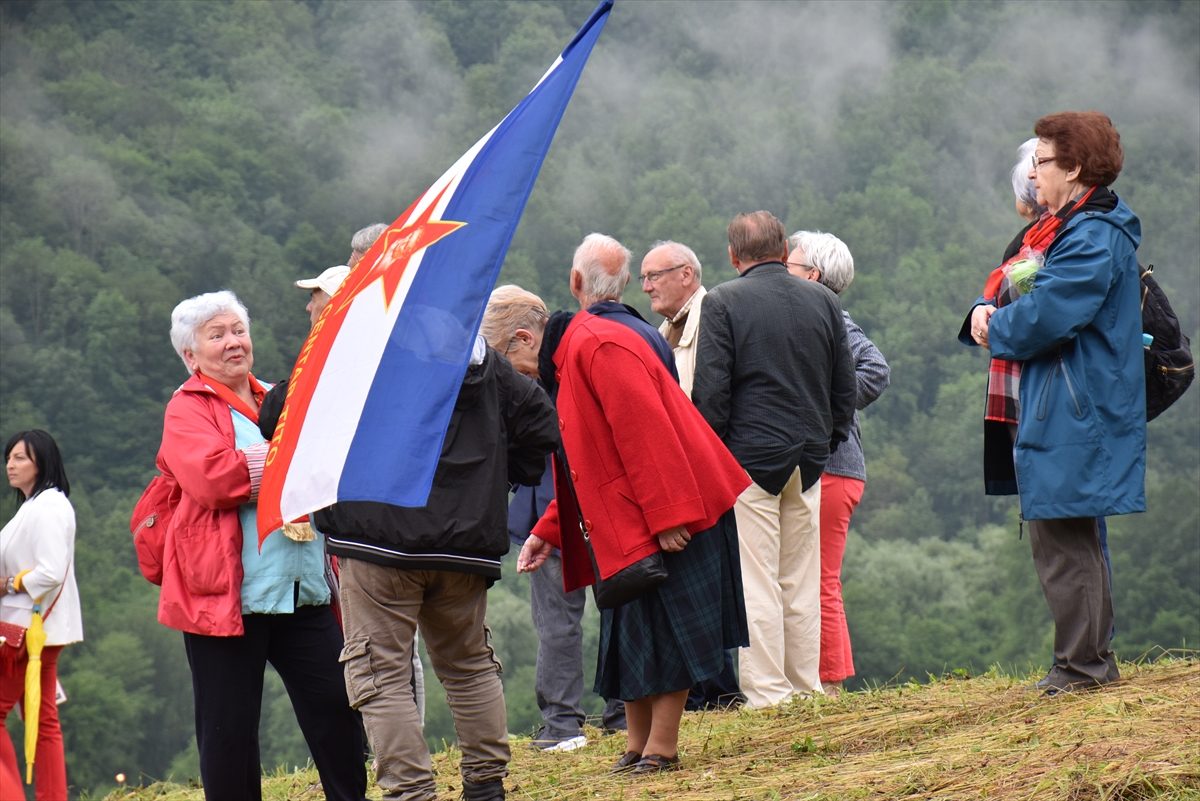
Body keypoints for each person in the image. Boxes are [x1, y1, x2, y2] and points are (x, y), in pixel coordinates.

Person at [518, 233, 751, 774]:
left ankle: (661, 750)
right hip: (638, 514)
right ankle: (637, 745)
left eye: (514, 357)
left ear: (577, 284)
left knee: (666, 630)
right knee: (632, 631)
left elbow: (645, 434)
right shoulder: (590, 343)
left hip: (675, 510)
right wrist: (549, 529)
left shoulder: (596, 343)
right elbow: (585, 460)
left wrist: (672, 517)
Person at [315, 319, 559, 801]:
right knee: (468, 663)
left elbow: (281, 412)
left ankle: (410, 793)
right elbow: (541, 424)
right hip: (463, 546)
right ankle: (486, 786)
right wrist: (491, 480)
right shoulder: (481, 357)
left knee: (381, 672)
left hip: (376, 538)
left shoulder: (360, 348)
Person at [156, 291, 367, 801]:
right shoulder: (187, 409)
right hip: (226, 597)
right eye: (218, 335)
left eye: (238, 331)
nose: (234, 343)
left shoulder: (280, 394)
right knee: (228, 733)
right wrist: (286, 457)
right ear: (191, 355)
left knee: (339, 713)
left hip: (303, 589)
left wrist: (278, 459)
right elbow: (212, 479)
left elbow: (327, 462)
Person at [961, 111, 1143, 694]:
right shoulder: (1070, 229)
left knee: (1064, 538)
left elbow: (1051, 315)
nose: (1032, 175)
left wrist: (996, 326)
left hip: (1074, 406)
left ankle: (1081, 667)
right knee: (1071, 533)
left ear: (1075, 167)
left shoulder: (1090, 235)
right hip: (1065, 401)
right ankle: (1089, 661)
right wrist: (987, 314)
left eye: (1040, 162)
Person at [692, 211, 856, 709]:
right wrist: (826, 442)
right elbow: (843, 387)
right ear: (785, 249)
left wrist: (712, 458)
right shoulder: (823, 300)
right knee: (801, 578)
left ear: (732, 255)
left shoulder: (721, 301)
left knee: (755, 578)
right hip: (808, 459)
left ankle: (767, 693)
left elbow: (712, 394)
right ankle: (804, 686)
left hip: (747, 462)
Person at [260, 259, 427, 728]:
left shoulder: (338, 364)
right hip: (369, 524)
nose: (308, 307)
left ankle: (399, 750)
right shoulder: (383, 359)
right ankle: (390, 744)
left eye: (316, 298)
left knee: (382, 646)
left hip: (366, 527)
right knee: (382, 643)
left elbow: (275, 417)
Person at [483, 286, 627, 750]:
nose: (502, 367)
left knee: (591, 612)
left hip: (571, 508)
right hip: (556, 510)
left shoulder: (566, 367)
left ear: (524, 338)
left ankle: (578, 720)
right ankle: (594, 715)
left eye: (503, 353)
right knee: (585, 614)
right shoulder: (564, 362)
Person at [786, 231, 890, 697]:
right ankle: (814, 682)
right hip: (829, 468)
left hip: (833, 466)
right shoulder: (809, 318)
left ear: (812, 276)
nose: (779, 269)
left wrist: (822, 415)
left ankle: (829, 687)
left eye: (789, 264)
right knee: (808, 578)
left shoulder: (835, 322)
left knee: (820, 580)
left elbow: (875, 370)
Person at [640, 241, 742, 711]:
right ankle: (706, 689)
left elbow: (710, 399)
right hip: (692, 466)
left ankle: (720, 689)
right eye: (642, 278)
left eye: (655, 275)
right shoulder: (665, 330)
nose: (646, 286)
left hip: (711, 465)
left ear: (687, 274)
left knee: (712, 578)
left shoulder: (714, 314)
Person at [0, 430, 81, 801]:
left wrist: (9, 584)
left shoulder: (47, 507)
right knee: (44, 719)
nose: (10, 465)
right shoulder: (41, 505)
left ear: (41, 463)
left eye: (20, 458)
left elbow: (49, 572)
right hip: (37, 628)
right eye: (9, 458)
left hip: (23, 627)